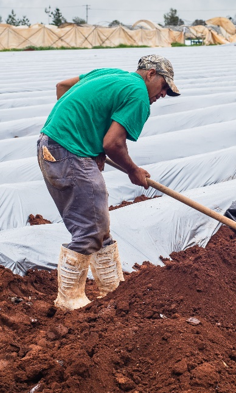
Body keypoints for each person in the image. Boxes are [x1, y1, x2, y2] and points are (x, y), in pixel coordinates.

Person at [37, 54, 180, 311]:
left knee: (97, 222)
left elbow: (62, 86)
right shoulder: (137, 93)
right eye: (164, 87)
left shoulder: (110, 74)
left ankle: (112, 289)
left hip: (51, 146)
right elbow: (112, 143)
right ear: (150, 74)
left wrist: (80, 130)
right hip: (69, 154)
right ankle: (69, 300)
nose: (164, 94)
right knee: (90, 228)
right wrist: (133, 170)